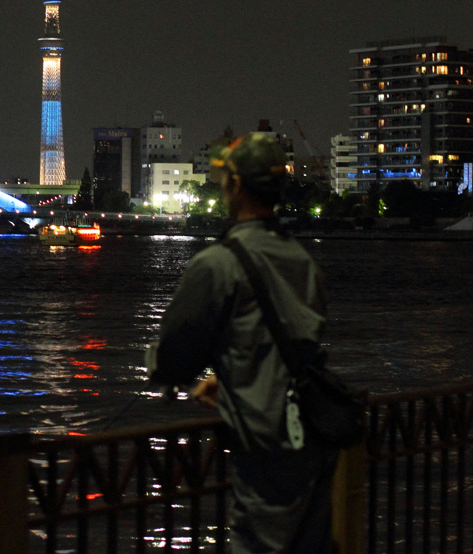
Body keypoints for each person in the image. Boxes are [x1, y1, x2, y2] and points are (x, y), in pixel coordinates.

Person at [145, 132, 339, 553]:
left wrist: (163, 366)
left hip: (267, 448)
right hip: (317, 437)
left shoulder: (219, 263)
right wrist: (230, 373)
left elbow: (175, 357)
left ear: (233, 186)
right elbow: (293, 342)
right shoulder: (302, 260)